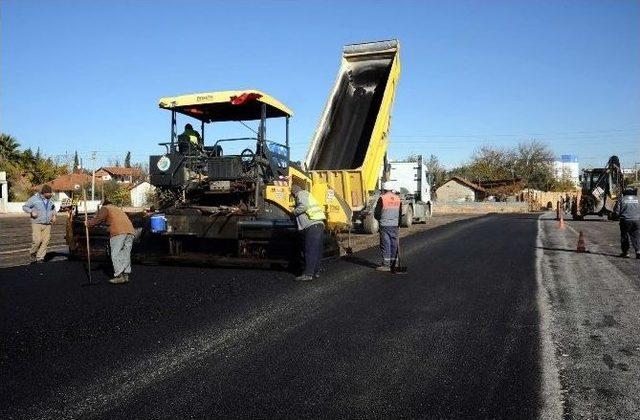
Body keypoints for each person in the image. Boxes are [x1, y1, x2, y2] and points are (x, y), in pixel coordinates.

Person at [86, 200, 136, 284]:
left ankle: (119, 275)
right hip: (130, 231)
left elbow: (98, 219)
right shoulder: (117, 209)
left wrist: (88, 223)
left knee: (115, 253)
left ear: (104, 204)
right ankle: (126, 275)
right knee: (125, 253)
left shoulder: (106, 208)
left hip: (118, 231)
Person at [291, 184, 326, 281]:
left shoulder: (301, 194)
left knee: (309, 250)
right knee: (316, 250)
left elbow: (304, 206)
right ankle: (316, 272)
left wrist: (294, 212)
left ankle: (308, 274)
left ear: (294, 192)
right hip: (318, 224)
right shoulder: (307, 194)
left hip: (312, 225)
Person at [22, 184, 56, 263]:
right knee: (37, 240)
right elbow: (25, 207)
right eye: (49, 193)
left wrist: (54, 215)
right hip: (37, 223)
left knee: (45, 241)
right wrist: (31, 211)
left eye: (51, 193)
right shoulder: (34, 199)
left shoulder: (50, 200)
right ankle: (33, 252)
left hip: (48, 224)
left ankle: (40, 257)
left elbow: (53, 208)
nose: (50, 195)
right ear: (44, 193)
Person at [374, 182, 402, 271]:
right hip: (395, 225)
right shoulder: (398, 199)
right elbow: (400, 213)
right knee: (394, 243)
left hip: (384, 225)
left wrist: (380, 219)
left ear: (384, 189)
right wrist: (399, 224)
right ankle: (394, 264)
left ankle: (386, 265)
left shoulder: (382, 198)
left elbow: (377, 214)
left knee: (386, 243)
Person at [613, 187, 640, 259]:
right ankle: (638, 251)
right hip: (637, 220)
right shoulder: (638, 199)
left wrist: (616, 216)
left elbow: (617, 211)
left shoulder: (622, 199)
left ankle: (626, 253)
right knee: (636, 236)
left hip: (625, 220)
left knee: (624, 236)